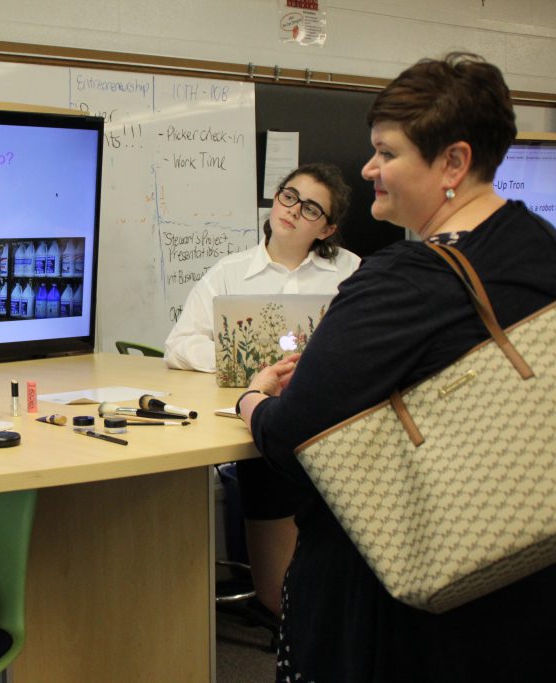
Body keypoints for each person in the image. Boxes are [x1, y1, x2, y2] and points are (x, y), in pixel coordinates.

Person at [238, 53, 556, 681]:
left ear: (454, 163)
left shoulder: (401, 282)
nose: (369, 169)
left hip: (407, 587)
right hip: (527, 558)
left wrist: (254, 399)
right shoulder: (538, 244)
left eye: (387, 152)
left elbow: (291, 432)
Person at [164, 163, 361, 617]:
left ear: (327, 228)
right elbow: (180, 345)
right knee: (280, 590)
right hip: (264, 430)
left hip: (333, 434)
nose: (293, 210)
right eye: (289, 196)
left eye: (311, 208)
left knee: (335, 575)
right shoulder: (230, 272)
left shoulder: (351, 271)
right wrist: (244, 364)